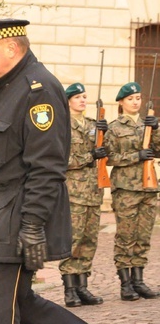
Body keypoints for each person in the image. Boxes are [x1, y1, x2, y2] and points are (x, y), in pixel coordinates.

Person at [0, 19, 108, 324]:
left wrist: (32, 226)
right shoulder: (4, 89)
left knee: (0, 305)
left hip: (16, 215)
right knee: (16, 299)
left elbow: (47, 167)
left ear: (12, 48)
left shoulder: (39, 90)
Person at [104, 82, 160, 301]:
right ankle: (125, 284)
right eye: (130, 99)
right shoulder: (115, 127)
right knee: (126, 237)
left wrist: (155, 128)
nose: (135, 102)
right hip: (126, 189)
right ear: (121, 102)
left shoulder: (148, 124)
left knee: (143, 237)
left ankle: (139, 281)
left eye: (138, 98)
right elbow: (108, 158)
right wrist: (135, 157)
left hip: (148, 187)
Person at [58, 83, 105, 307]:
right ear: (68, 101)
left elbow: (107, 153)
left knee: (89, 240)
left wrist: (106, 136)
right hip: (73, 193)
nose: (83, 100)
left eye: (85, 97)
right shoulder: (62, 126)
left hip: (93, 192)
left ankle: (83, 287)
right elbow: (60, 160)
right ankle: (70, 289)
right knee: (73, 240)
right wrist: (89, 156)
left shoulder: (92, 125)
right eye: (78, 97)